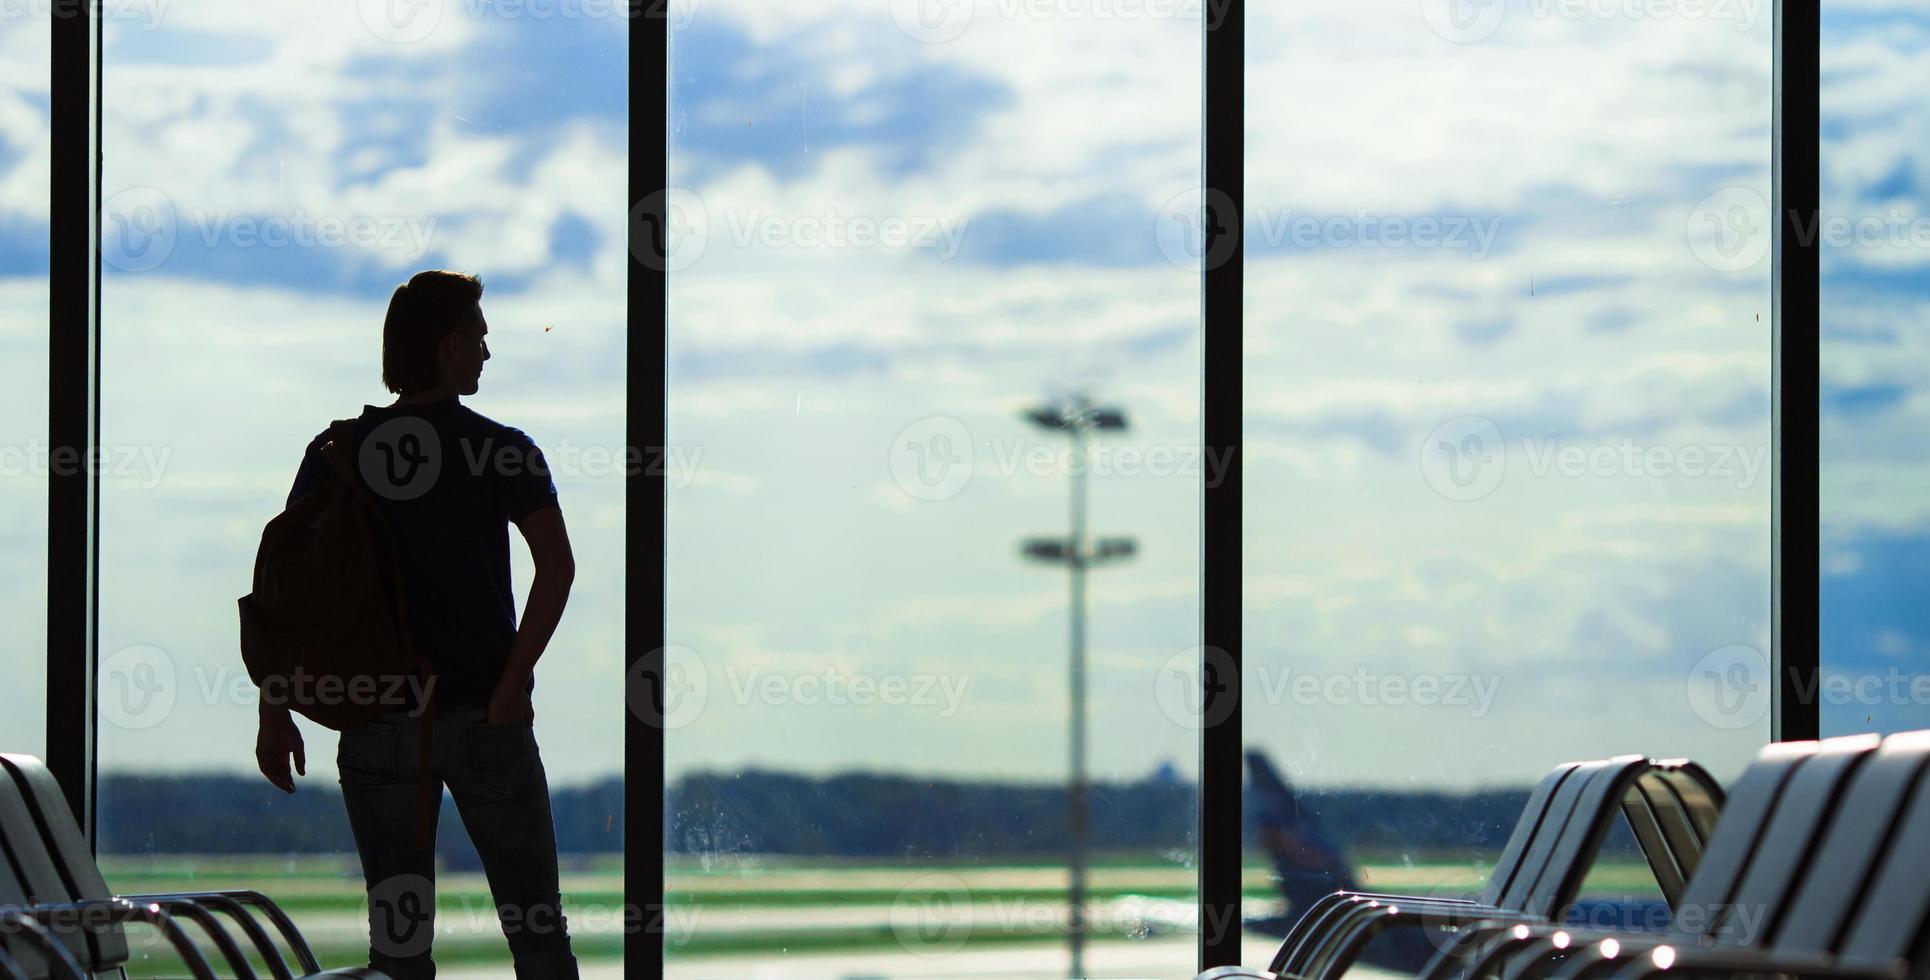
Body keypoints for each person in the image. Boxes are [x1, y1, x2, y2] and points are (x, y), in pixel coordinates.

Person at [254, 270, 580, 979]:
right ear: (451, 347)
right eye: (482, 339)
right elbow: (556, 568)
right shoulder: (502, 448)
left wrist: (275, 711)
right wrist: (512, 684)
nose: (489, 355)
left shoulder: (336, 452)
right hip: (484, 720)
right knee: (539, 938)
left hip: (376, 725)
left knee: (398, 955)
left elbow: (287, 591)